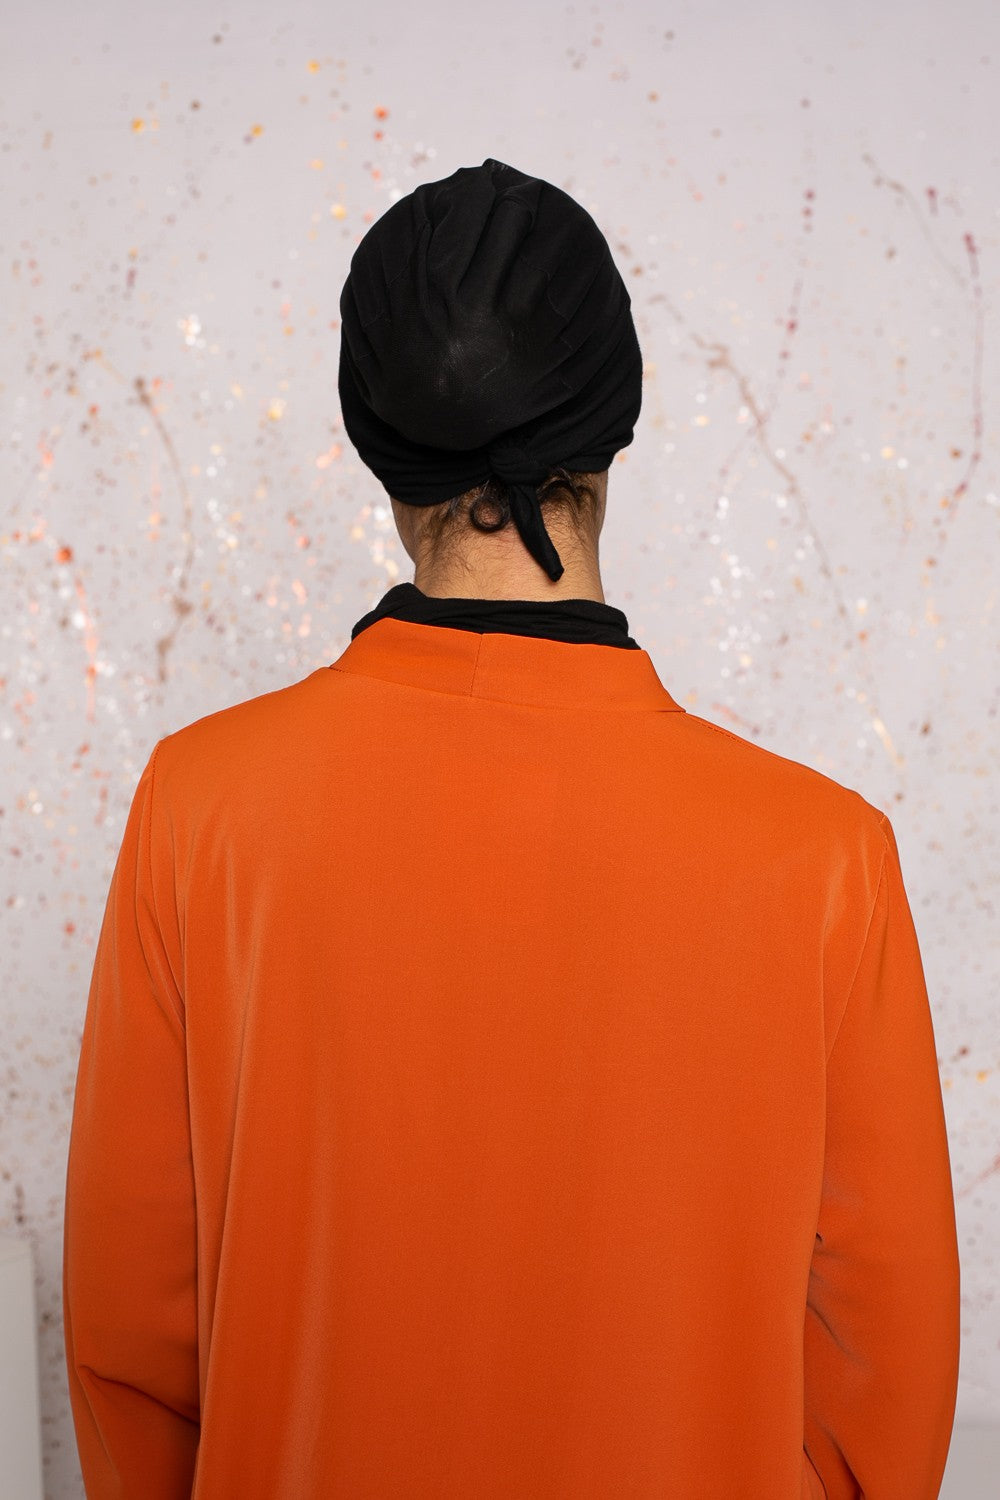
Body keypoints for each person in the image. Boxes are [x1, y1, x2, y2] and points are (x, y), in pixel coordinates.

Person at [62, 158, 961, 1499]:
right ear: (616, 423)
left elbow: (135, 1342)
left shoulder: (201, 810)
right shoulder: (827, 859)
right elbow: (881, 1395)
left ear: (378, 440)